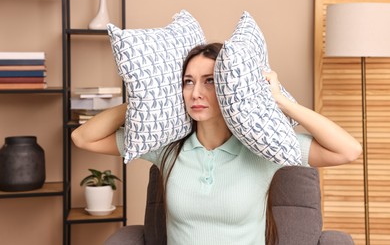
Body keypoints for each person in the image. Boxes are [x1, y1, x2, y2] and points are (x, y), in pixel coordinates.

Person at [71, 43, 362, 245]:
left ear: (229, 87)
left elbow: (348, 150)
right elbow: (83, 137)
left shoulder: (262, 150)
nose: (196, 92)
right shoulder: (167, 149)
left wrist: (280, 101)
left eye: (209, 81)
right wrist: (144, 100)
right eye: (188, 81)